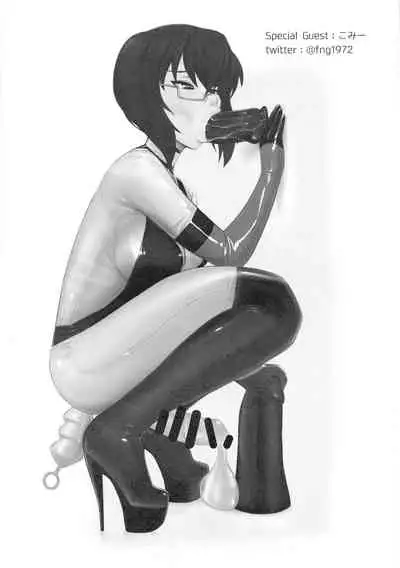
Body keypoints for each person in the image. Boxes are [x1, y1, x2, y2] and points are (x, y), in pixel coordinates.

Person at [49, 24, 302, 532]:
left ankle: (249, 491)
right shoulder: (135, 173)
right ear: (145, 90)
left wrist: (245, 362)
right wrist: (270, 168)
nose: (208, 103)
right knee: (274, 302)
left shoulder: (172, 183)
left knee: (264, 372)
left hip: (124, 353)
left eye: (214, 90)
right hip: (85, 356)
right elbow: (230, 253)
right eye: (185, 86)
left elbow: (202, 297)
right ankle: (121, 431)